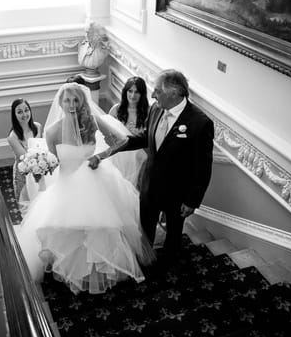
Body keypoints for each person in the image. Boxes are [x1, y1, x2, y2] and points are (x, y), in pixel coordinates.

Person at [16, 83, 155, 295]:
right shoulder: (52, 131)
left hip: (96, 180)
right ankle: (73, 270)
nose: (71, 105)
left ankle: (101, 270)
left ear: (82, 102)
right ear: (60, 103)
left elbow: (120, 141)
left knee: (102, 227)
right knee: (69, 229)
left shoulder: (93, 120)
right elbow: (54, 162)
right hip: (67, 186)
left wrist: (101, 156)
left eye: (76, 100)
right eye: (67, 100)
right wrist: (39, 170)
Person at [90, 69, 214, 260]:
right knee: (145, 230)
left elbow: (202, 167)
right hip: (150, 186)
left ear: (174, 93)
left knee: (173, 235)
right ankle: (145, 260)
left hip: (178, 193)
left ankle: (170, 264)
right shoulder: (156, 108)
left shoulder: (200, 123)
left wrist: (192, 201)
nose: (153, 95)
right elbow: (144, 138)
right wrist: (109, 151)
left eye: (157, 91)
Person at [108, 76, 150, 187]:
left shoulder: (148, 113)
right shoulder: (116, 109)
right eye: (130, 91)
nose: (132, 95)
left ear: (142, 94)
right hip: (118, 154)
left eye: (137, 92)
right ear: (125, 92)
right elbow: (107, 133)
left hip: (138, 157)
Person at [7, 98, 42, 204]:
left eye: (26, 110)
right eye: (19, 112)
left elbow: (42, 148)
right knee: (27, 205)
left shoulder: (38, 127)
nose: (24, 114)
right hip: (23, 174)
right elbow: (25, 159)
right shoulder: (12, 137)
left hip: (40, 169)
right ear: (14, 115)